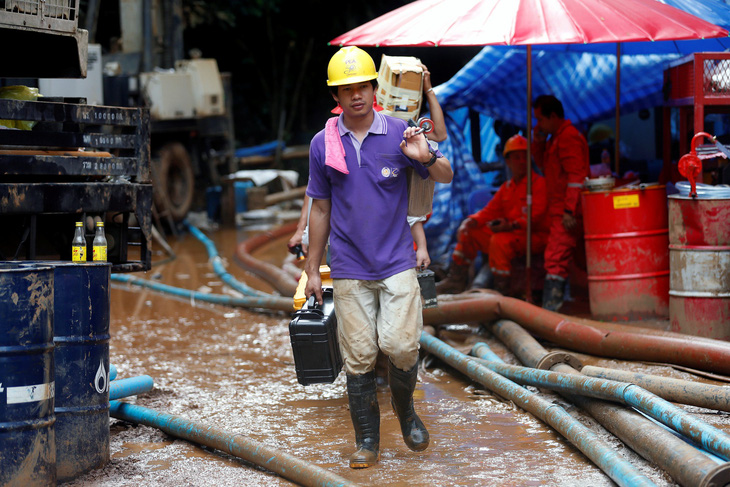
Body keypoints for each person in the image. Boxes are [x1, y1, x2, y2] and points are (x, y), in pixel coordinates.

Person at [304, 46, 453, 469]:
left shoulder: (399, 132)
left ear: (374, 88)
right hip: (349, 267)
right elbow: (320, 207)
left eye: (362, 87)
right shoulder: (323, 144)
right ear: (337, 95)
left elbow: (444, 175)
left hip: (397, 262)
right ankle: (368, 440)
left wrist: (426, 156)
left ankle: (406, 412)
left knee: (401, 346)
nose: (356, 96)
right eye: (346, 89)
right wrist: (313, 270)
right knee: (360, 356)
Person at [435, 134, 549, 295]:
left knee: (499, 240)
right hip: (512, 234)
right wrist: (470, 222)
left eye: (524, 157)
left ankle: (501, 290)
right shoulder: (507, 187)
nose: (522, 162)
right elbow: (489, 211)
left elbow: (535, 216)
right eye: (517, 158)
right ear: (508, 162)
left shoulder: (538, 184)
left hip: (533, 236)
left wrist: (511, 225)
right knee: (470, 233)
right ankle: (456, 281)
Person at [531, 95, 590, 311]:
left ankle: (550, 316)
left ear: (553, 116)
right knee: (575, 260)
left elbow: (577, 177)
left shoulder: (567, 138)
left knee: (555, 258)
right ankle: (573, 308)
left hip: (567, 212)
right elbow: (544, 166)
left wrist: (569, 210)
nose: (538, 124)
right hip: (561, 210)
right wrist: (538, 142)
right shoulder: (556, 138)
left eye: (540, 119)